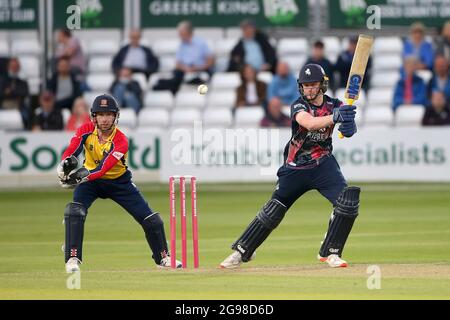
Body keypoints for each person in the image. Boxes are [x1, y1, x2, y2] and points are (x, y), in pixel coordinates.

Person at [220, 64, 360, 269]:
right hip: (296, 167)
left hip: (323, 164)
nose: (309, 90)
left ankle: (330, 251)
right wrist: (336, 117)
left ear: (322, 85)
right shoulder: (299, 105)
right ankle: (241, 252)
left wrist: (349, 125)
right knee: (273, 210)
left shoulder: (335, 104)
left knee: (347, 203)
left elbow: (347, 131)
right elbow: (310, 123)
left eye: (313, 85)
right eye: (305, 86)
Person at [57, 94, 181, 273]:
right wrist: (64, 166)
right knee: (74, 211)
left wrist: (79, 177)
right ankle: (72, 257)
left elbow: (103, 168)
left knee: (152, 220)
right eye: (101, 115)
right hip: (90, 183)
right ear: (94, 116)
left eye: (109, 115)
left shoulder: (121, 140)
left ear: (116, 116)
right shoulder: (85, 129)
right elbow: (71, 152)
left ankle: (163, 258)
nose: (105, 119)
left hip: (119, 183)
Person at [153, 21, 214, 94]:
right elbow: (178, 64)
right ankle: (172, 93)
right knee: (177, 74)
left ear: (188, 32)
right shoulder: (182, 45)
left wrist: (196, 68)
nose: (179, 35)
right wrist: (186, 68)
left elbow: (210, 61)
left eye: (181, 33)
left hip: (200, 69)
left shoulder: (201, 43)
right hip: (184, 70)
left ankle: (165, 85)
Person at [0, 57, 30, 128]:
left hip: (18, 106)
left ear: (19, 68)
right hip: (4, 105)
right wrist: (13, 92)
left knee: (27, 116)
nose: (14, 68)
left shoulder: (23, 82)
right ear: (8, 67)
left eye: (16, 67)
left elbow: (24, 93)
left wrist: (9, 92)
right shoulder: (2, 81)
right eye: (12, 66)